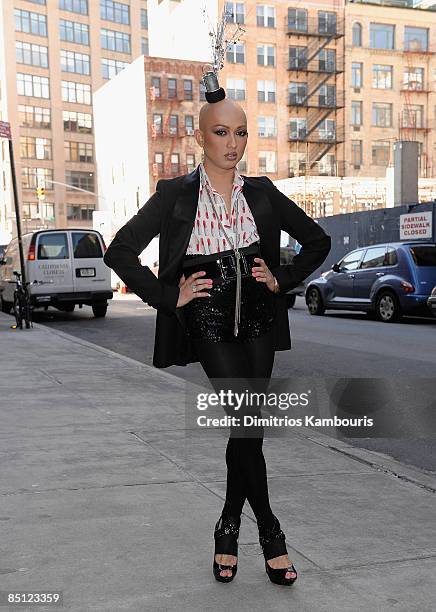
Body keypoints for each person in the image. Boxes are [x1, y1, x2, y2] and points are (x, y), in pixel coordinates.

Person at [103, 96, 331, 586]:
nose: (234, 143)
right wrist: (168, 295)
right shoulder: (176, 195)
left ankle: (228, 528)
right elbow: (119, 250)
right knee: (247, 425)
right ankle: (270, 532)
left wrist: (281, 278)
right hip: (206, 320)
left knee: (247, 430)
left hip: (260, 321)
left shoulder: (263, 193)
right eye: (223, 132)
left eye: (242, 132)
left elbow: (318, 240)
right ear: (200, 137)